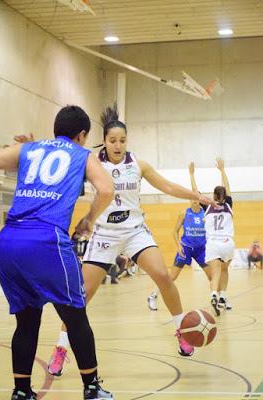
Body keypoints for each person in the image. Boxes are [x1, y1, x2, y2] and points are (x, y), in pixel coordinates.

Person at [48, 103, 216, 375]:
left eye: (122, 140)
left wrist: (194, 195)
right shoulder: (90, 162)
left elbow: (167, 186)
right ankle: (60, 349)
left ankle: (182, 331)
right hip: (103, 233)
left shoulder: (137, 164)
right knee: (81, 295)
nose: (118, 145)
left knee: (163, 275)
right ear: (103, 141)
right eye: (113, 140)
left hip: (135, 230)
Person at [0, 105, 114, 400]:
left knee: (26, 321)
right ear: (82, 135)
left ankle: (21, 391)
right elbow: (106, 190)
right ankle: (92, 388)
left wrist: (20, 149)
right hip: (46, 241)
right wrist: (88, 220)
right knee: (76, 318)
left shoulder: (29, 149)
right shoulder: (82, 154)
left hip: (8, 240)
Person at [147, 163, 211, 311]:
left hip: (201, 250)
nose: (194, 199)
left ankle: (219, 297)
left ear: (200, 200)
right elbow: (174, 232)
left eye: (196, 198)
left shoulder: (205, 214)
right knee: (171, 278)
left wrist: (192, 176)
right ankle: (153, 296)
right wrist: (178, 245)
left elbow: (196, 191)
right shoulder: (184, 213)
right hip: (186, 248)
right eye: (192, 198)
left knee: (212, 276)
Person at [204, 158, 234, 316]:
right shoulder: (228, 204)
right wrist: (222, 170)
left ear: (213, 196)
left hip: (213, 243)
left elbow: (195, 192)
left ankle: (214, 295)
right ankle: (223, 296)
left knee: (215, 273)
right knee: (225, 270)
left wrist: (191, 174)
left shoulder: (207, 205)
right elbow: (227, 188)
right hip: (228, 242)